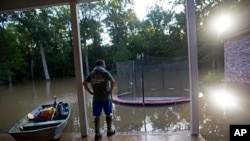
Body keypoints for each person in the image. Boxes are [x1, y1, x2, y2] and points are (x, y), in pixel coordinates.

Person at [82, 59, 115, 140]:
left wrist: (90, 92)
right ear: (101, 64)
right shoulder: (105, 72)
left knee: (97, 116)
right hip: (105, 97)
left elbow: (84, 83)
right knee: (108, 114)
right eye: (104, 64)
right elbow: (113, 81)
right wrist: (110, 90)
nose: (105, 66)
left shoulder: (92, 73)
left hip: (96, 98)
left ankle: (97, 134)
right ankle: (109, 131)